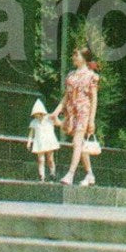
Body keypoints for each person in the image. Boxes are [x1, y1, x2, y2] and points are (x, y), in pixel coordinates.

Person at [49, 47, 99, 187]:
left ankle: (70, 174)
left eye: (76, 55)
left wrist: (91, 120)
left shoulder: (91, 76)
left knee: (77, 142)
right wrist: (56, 112)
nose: (73, 57)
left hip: (84, 112)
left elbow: (94, 99)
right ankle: (90, 174)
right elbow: (66, 96)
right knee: (80, 145)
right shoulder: (71, 75)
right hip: (72, 112)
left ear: (83, 58)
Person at [26, 98, 60, 182]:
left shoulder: (49, 118)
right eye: (35, 114)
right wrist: (29, 142)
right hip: (39, 142)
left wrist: (55, 118)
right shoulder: (34, 122)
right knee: (41, 160)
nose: (36, 116)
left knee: (50, 159)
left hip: (49, 141)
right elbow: (31, 133)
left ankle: (52, 173)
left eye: (38, 114)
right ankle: (42, 176)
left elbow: (58, 123)